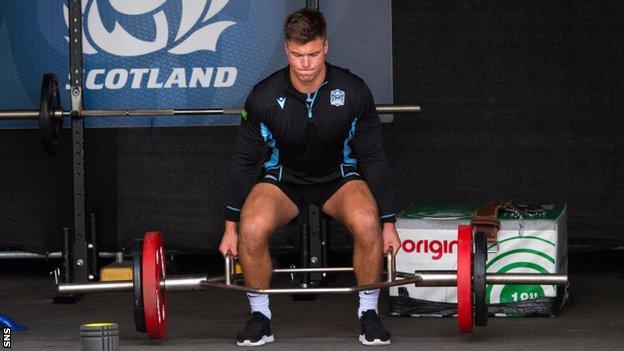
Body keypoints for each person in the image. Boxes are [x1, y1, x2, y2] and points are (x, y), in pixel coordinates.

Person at [218, 8, 401, 347]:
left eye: (313, 54)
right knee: (252, 227)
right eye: (297, 55)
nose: (305, 64)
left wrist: (388, 222)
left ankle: (369, 314)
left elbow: (373, 158)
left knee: (366, 220)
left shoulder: (354, 91)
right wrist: (230, 228)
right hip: (283, 180)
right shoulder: (263, 96)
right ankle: (260, 317)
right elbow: (244, 163)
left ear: (326, 47)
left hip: (339, 178)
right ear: (286, 49)